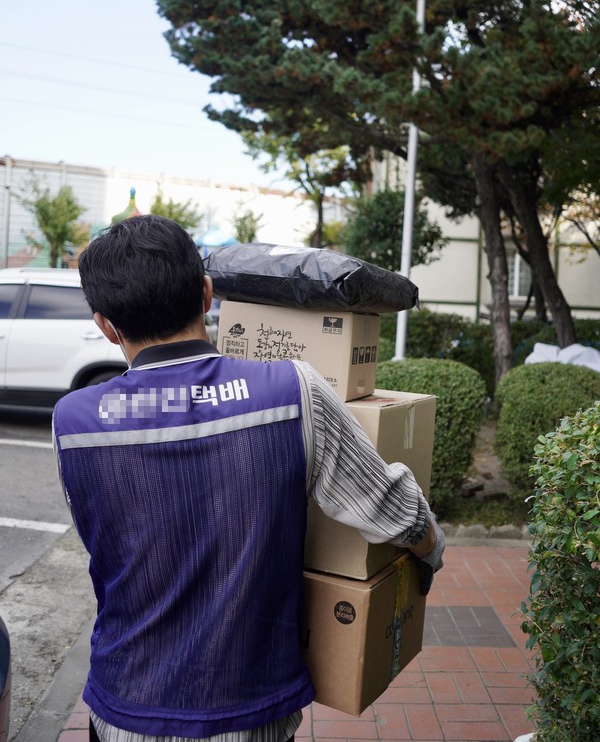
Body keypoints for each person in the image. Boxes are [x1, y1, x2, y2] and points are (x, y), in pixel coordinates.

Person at [53, 215, 445, 742]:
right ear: (207, 294)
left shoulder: (74, 421)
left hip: (125, 703)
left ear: (106, 325)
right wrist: (431, 551)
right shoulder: (290, 389)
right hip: (249, 710)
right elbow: (393, 510)